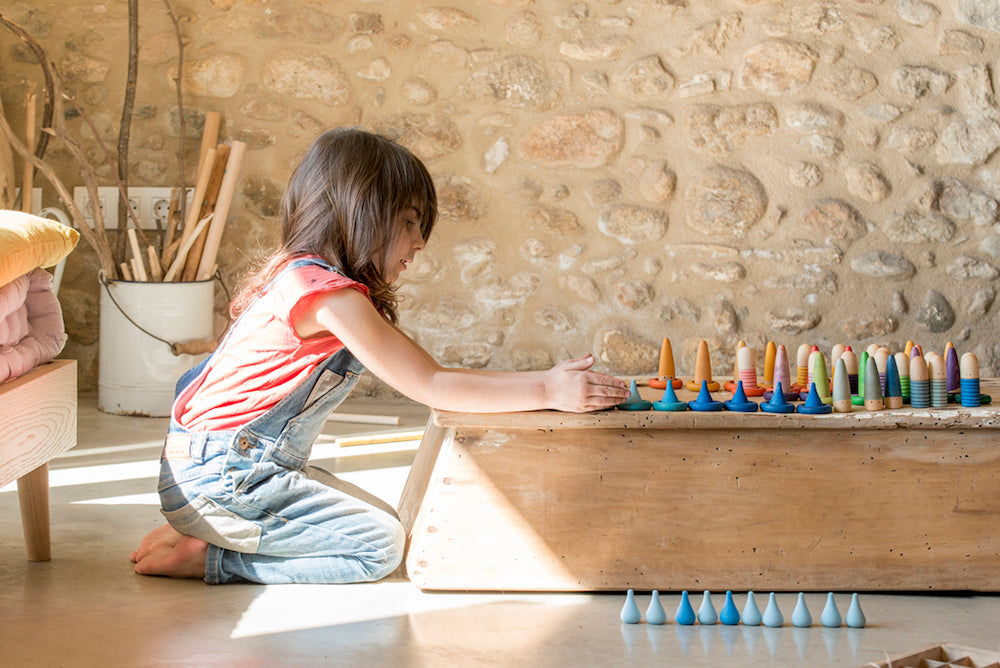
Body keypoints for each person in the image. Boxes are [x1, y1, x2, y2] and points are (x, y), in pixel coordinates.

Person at [129, 128, 630, 584]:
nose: (419, 243)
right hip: (225, 478)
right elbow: (429, 385)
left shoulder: (308, 279)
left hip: (216, 473)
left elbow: (433, 373)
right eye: (410, 222)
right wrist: (546, 389)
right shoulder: (326, 295)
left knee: (388, 522)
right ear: (358, 210)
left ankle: (204, 527)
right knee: (379, 548)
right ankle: (215, 557)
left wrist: (544, 382)